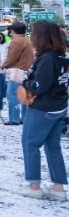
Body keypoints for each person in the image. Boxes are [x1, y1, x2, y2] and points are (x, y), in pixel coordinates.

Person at [17, 20, 68, 200]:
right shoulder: (62, 56)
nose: (32, 36)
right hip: (59, 106)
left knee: (30, 144)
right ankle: (58, 188)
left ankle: (34, 186)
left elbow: (39, 86)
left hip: (42, 108)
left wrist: (23, 80)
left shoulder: (47, 59)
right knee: (53, 146)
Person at [1, 22, 34, 126]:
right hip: (26, 71)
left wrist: (3, 65)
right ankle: (24, 118)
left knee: (12, 95)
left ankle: (14, 118)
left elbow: (12, 57)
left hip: (16, 71)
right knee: (24, 95)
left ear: (13, 31)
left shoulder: (16, 41)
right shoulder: (27, 40)